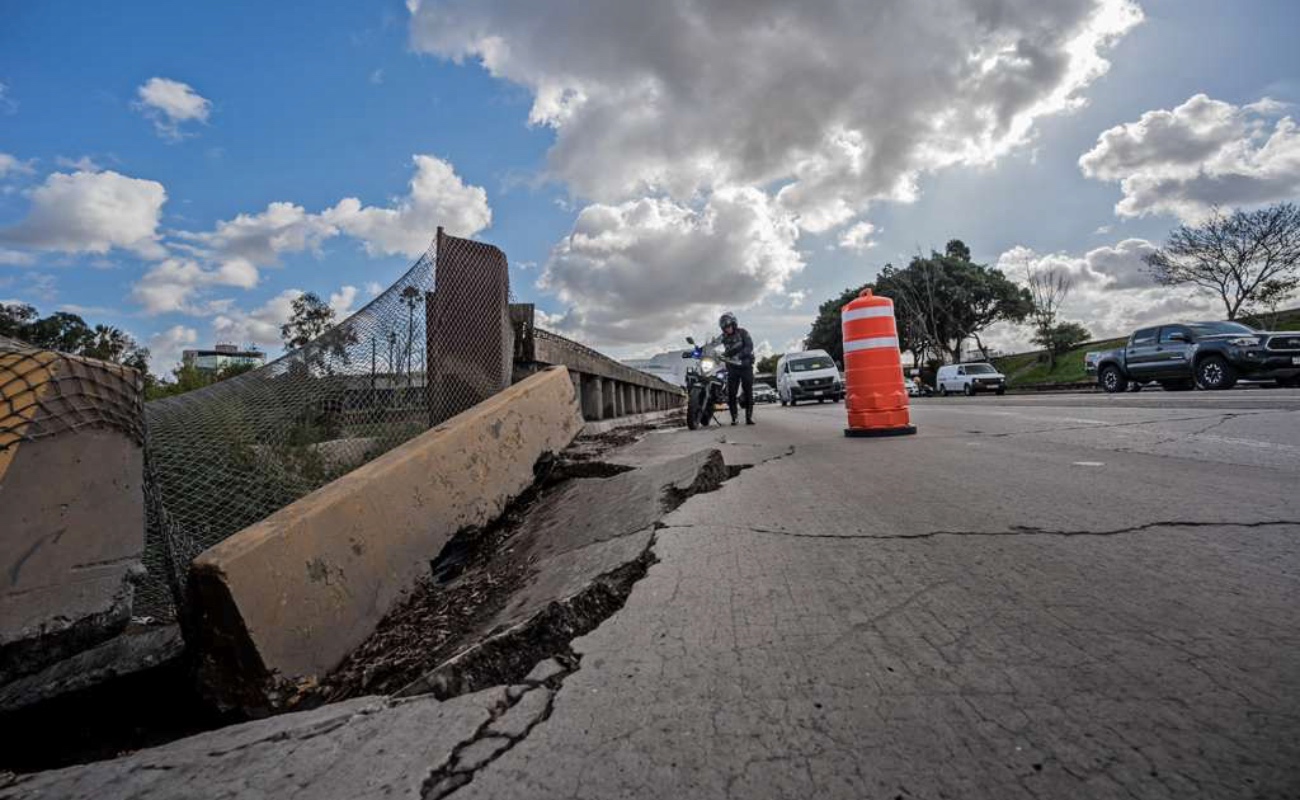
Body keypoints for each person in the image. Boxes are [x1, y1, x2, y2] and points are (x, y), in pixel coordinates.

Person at [719, 312, 755, 425]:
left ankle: (749, 417)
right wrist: (702, 349)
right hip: (732, 367)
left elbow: (750, 346)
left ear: (734, 324)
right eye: (725, 328)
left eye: (728, 326)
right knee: (731, 393)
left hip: (745, 365)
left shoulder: (743, 332)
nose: (727, 329)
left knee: (748, 391)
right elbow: (713, 344)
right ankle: (734, 417)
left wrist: (739, 355)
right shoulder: (723, 337)